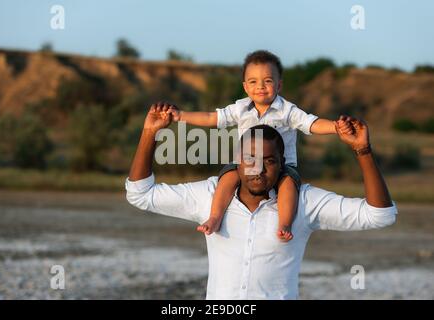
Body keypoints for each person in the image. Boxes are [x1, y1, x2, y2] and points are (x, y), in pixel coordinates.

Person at [125, 102, 397, 300]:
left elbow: (380, 215)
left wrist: (362, 150)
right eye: (250, 159)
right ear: (237, 162)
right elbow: (140, 194)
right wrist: (150, 133)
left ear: (282, 164)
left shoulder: (304, 202)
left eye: (269, 161)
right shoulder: (209, 196)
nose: (259, 168)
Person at [166, 50, 349, 241]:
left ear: (279, 85)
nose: (260, 86)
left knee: (288, 184)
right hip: (247, 164)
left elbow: (312, 123)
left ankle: (285, 224)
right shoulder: (240, 108)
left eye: (268, 81)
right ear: (245, 87)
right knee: (228, 175)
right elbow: (212, 117)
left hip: (282, 166)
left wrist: (336, 127)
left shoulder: (287, 111)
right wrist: (181, 116)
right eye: (253, 82)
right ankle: (215, 217)